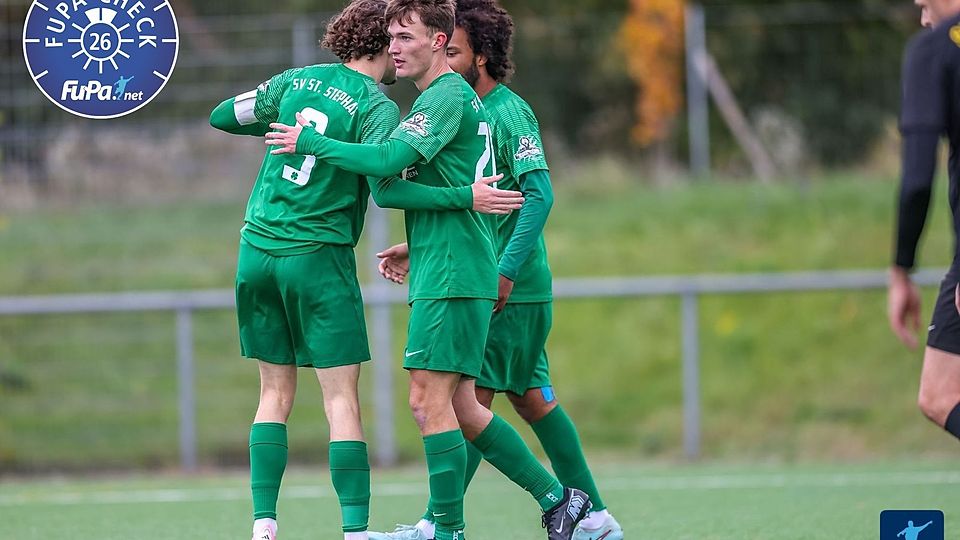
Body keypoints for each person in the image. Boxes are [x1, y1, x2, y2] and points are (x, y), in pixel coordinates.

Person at [265, 1, 591, 538]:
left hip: (456, 273)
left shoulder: (445, 97)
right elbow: (388, 188)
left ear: (439, 42)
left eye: (406, 36)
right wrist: (448, 205)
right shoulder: (431, 103)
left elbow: (388, 165)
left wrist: (313, 143)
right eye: (390, 37)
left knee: (427, 400)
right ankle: (560, 500)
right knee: (462, 405)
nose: (394, 46)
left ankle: (449, 531)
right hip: (442, 266)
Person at [209, 2, 522, 539]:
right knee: (339, 398)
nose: (400, 49)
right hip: (318, 256)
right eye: (396, 38)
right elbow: (383, 175)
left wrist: (283, 131)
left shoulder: (297, 79)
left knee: (272, 394)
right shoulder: (378, 109)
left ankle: (264, 523)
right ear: (386, 42)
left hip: (256, 248)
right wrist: (463, 197)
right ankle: (356, 531)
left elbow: (221, 115)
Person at [370, 2, 623, 539]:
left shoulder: (506, 111)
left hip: (509, 284)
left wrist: (505, 270)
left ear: (478, 57)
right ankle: (589, 515)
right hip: (488, 271)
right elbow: (475, 196)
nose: (445, 56)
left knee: (460, 401)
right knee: (527, 400)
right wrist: (421, 247)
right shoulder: (457, 112)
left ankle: (436, 526)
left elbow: (538, 194)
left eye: (455, 50)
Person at [889, 0, 960, 447]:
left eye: (923, 3)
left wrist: (901, 269)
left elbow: (917, 180)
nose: (922, 15)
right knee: (939, 393)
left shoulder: (933, 53)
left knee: (941, 393)